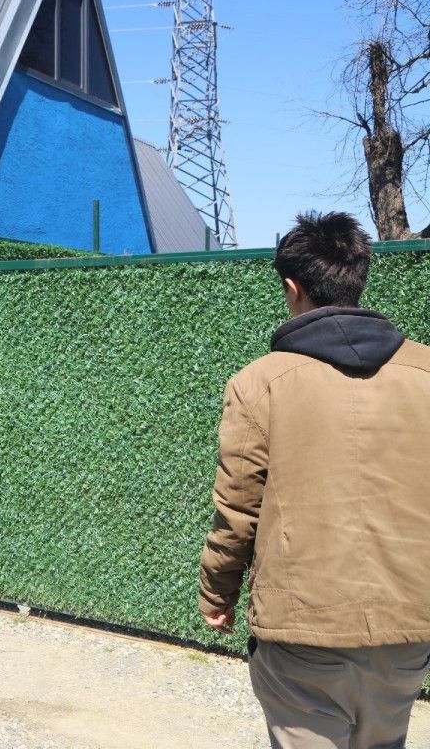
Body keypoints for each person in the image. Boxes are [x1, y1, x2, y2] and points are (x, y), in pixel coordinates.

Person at [197, 212, 430, 749]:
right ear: (359, 276)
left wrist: (217, 593)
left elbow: (238, 509)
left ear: (292, 286)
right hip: (408, 625)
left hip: (301, 627)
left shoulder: (259, 383)